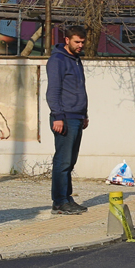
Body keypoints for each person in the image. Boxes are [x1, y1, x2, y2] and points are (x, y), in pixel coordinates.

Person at [47, 26, 89, 214]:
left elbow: (80, 89)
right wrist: (58, 116)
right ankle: (59, 202)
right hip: (64, 117)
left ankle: (67, 198)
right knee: (62, 162)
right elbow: (53, 91)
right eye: (76, 42)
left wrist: (84, 114)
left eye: (82, 42)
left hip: (77, 116)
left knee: (70, 162)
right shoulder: (57, 60)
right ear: (67, 40)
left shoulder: (76, 60)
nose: (80, 45)